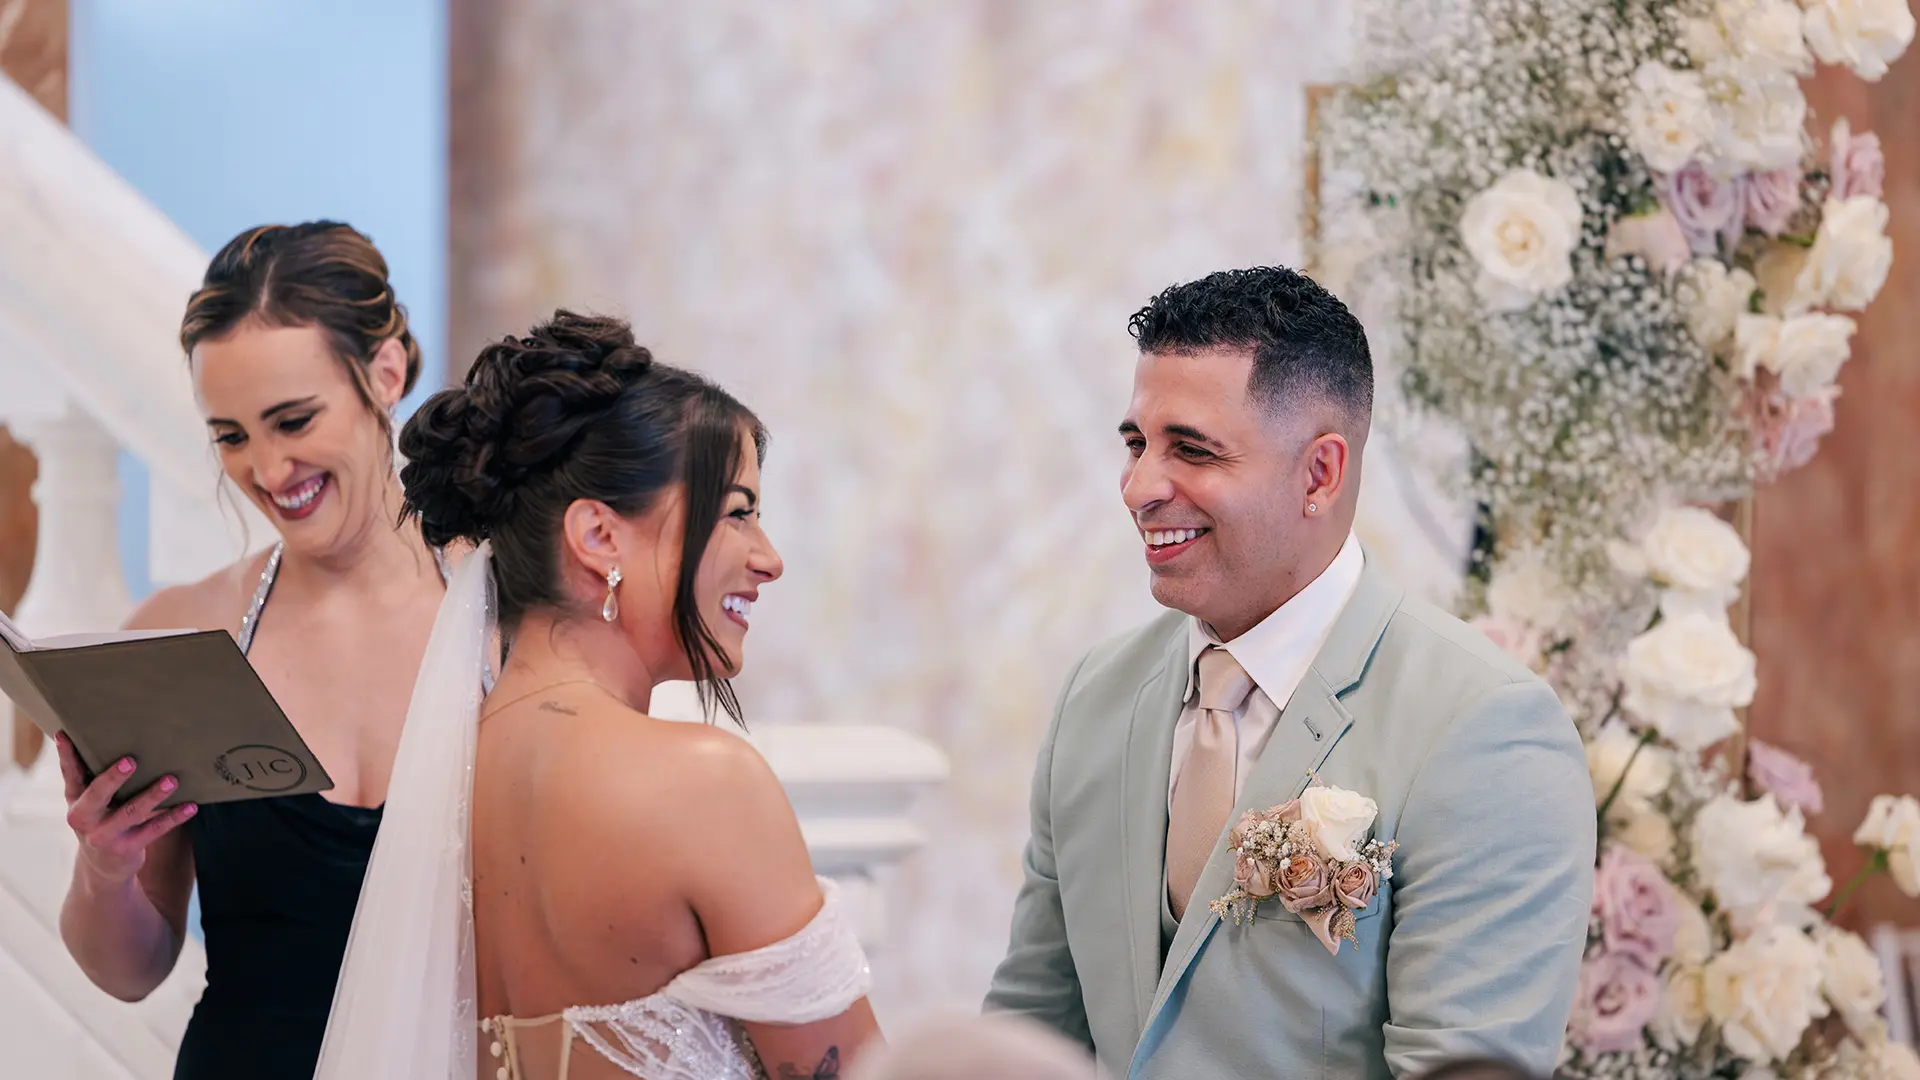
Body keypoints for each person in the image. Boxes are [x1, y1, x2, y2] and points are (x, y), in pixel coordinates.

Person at [984, 267, 1595, 1078]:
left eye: (1192, 450)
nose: (1138, 489)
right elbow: (1031, 1030)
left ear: (1320, 474)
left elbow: (1465, 1063)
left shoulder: (1485, 727)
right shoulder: (1097, 696)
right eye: (1137, 444)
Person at [311, 312, 882, 1080]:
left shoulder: (451, 782)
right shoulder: (706, 783)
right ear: (599, 537)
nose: (768, 558)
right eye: (738, 513)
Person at [55, 221, 451, 1079]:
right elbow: (132, 971)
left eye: (293, 419)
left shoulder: (505, 612)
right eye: (231, 436)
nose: (269, 471)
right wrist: (105, 868)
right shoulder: (182, 632)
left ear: (385, 374)